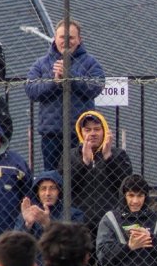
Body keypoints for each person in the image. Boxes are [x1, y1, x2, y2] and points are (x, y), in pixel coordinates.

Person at [23, 20, 105, 173]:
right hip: (51, 134)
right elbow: (30, 89)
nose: (66, 42)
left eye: (71, 38)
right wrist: (54, 82)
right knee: (52, 177)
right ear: (55, 38)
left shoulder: (90, 62)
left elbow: (96, 86)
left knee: (82, 176)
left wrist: (70, 76)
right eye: (62, 37)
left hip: (80, 133)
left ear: (79, 39)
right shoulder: (41, 63)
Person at [70, 110, 133, 239]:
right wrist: (84, 163)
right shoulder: (71, 155)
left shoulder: (118, 154)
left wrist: (108, 157)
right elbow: (66, 185)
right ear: (80, 132)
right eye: (87, 130)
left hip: (111, 221)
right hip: (79, 222)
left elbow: (125, 184)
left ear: (104, 131)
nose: (92, 133)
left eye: (97, 129)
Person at [16, 172, 84, 244]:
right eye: (43, 189)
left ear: (59, 191)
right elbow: (16, 245)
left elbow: (75, 243)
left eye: (53, 188)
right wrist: (27, 225)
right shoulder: (28, 214)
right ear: (37, 193)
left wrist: (48, 225)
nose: (48, 193)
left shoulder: (74, 214)